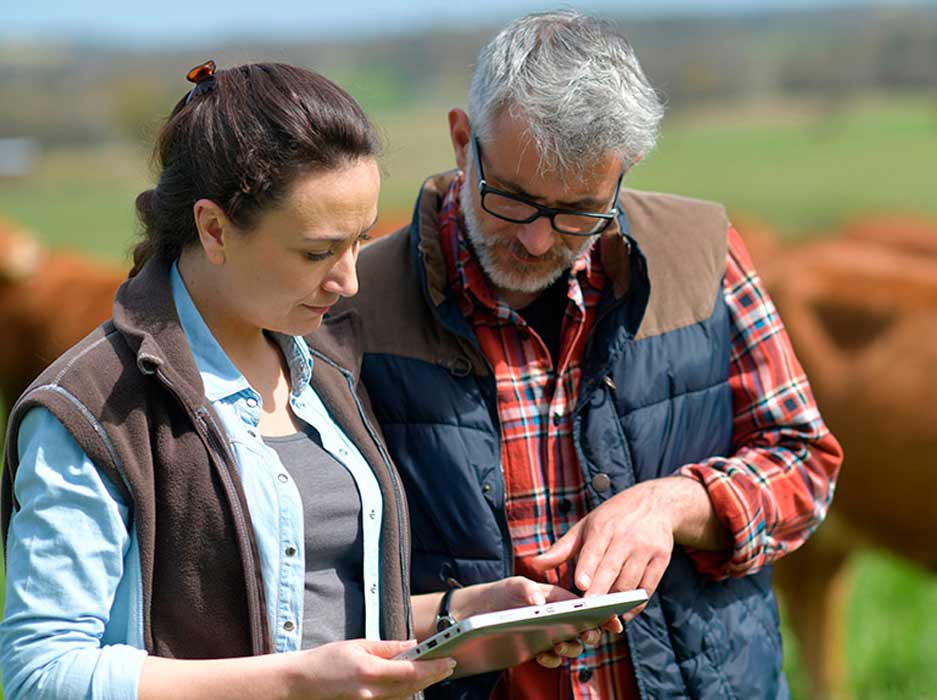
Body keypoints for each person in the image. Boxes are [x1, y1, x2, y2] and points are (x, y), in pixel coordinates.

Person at [0, 61, 595, 700]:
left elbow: (323, 621)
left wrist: (471, 614)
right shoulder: (94, 409)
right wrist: (295, 684)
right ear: (214, 229)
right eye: (317, 252)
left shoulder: (324, 366)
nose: (349, 281)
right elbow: (41, 674)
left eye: (359, 242)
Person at [334, 11, 845, 699]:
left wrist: (679, 503)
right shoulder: (353, 308)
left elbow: (803, 461)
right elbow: (313, 567)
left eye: (579, 209)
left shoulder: (702, 255)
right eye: (512, 200)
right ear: (463, 141)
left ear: (622, 173)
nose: (540, 241)